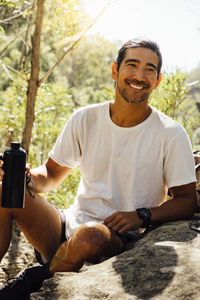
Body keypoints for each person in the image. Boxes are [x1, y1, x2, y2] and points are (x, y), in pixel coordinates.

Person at [0, 38, 197, 299]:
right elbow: (49, 176)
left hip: (115, 238)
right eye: (132, 65)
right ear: (115, 70)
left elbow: (186, 201)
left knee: (89, 236)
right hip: (64, 226)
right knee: (5, 191)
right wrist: (22, 177)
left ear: (158, 81)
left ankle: (33, 281)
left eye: (149, 69)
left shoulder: (171, 133)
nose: (139, 75)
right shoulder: (86, 118)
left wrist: (141, 215)